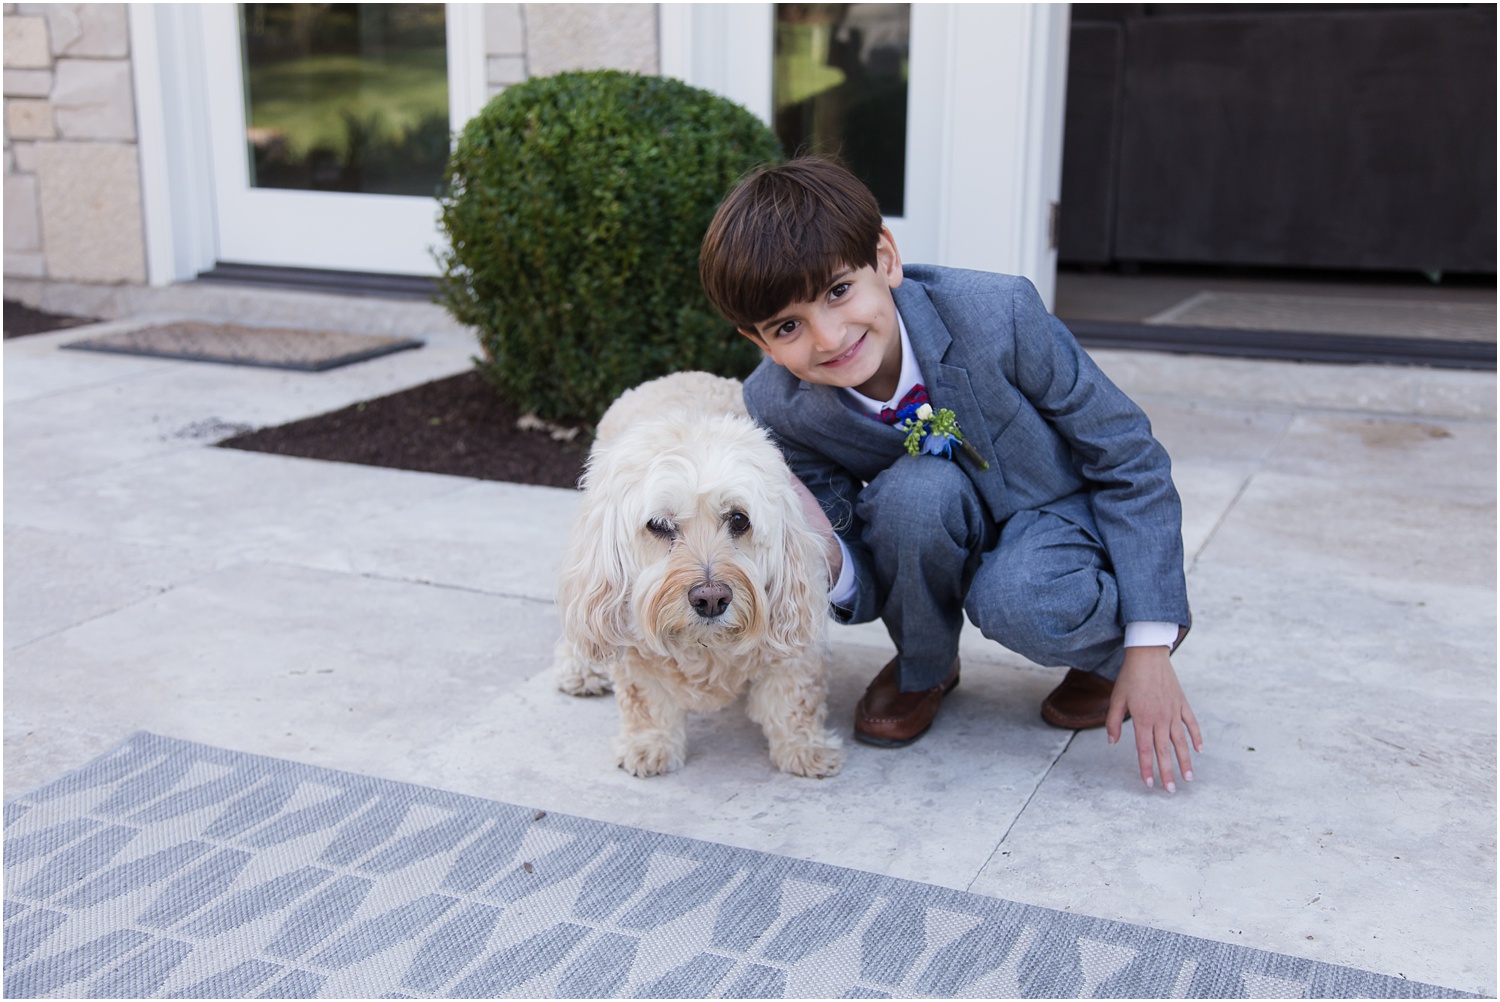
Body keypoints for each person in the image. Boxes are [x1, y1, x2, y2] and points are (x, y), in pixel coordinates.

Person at [698, 157, 1202, 792]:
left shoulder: (998, 313)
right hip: (933, 516)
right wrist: (819, 541)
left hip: (1058, 510)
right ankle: (926, 665)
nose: (828, 336)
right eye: (788, 327)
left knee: (1021, 598)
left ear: (884, 258)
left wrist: (1147, 646)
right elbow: (856, 549)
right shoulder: (778, 406)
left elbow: (1129, 454)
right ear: (759, 342)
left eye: (838, 291)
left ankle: (1107, 649)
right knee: (915, 494)